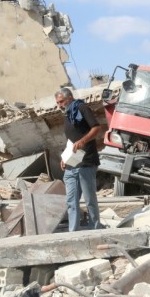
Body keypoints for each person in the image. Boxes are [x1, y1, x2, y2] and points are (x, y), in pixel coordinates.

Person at [55, 87, 102, 231]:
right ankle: (73, 231)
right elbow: (71, 140)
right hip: (72, 163)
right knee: (71, 201)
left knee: (89, 199)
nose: (60, 105)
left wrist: (83, 141)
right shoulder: (68, 115)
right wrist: (65, 157)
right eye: (58, 103)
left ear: (69, 98)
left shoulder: (82, 108)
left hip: (86, 161)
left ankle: (95, 228)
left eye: (61, 102)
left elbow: (96, 128)